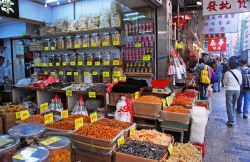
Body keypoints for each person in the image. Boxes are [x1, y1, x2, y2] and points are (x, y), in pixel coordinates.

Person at [223, 60, 242, 127]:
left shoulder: (227, 73)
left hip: (229, 90)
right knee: (233, 105)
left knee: (229, 105)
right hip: (237, 90)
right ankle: (231, 119)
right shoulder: (239, 72)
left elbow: (224, 83)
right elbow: (240, 82)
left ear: (229, 65)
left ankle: (231, 121)